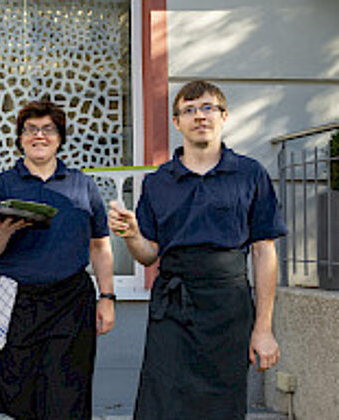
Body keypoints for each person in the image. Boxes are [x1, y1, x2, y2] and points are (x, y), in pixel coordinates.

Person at [109, 80, 286, 419]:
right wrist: (131, 235)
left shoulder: (249, 174)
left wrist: (263, 328)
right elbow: (149, 255)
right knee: (162, 402)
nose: (199, 116)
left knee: (221, 405)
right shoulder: (159, 181)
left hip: (228, 307)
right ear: (177, 122)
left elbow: (264, 252)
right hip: (172, 307)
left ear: (223, 116)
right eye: (189, 110)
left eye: (207, 108)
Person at [0, 100, 115, 420]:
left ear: (60, 137)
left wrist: (107, 296)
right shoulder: (2, 184)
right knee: (18, 396)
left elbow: (99, 245)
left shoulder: (82, 184)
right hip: (15, 300)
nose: (39, 136)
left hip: (71, 301)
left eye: (48, 129)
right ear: (21, 137)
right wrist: (4, 231)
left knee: (68, 392)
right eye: (31, 130)